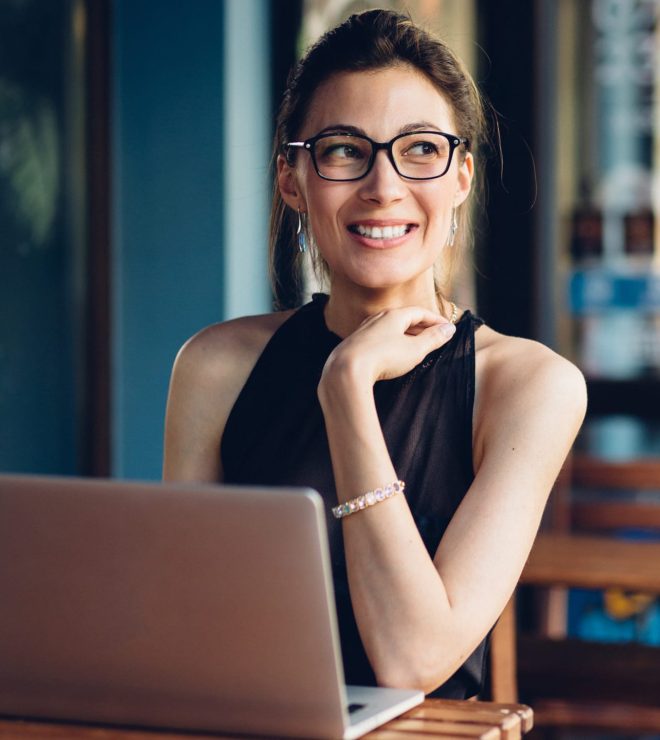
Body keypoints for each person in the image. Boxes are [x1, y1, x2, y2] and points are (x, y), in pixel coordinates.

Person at [163, 9, 586, 699]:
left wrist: (347, 385)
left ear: (461, 179)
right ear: (292, 181)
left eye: (420, 148)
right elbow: (181, 619)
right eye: (342, 149)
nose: (384, 185)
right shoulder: (216, 366)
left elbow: (411, 660)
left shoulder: (533, 386)